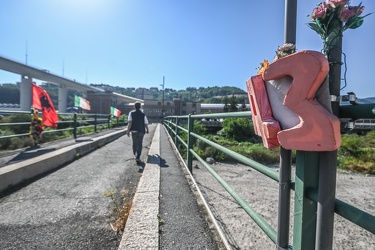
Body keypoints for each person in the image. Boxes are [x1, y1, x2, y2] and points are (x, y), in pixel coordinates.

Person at [127, 102, 149, 168]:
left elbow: (130, 122)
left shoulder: (131, 113)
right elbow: (145, 123)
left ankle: (135, 156)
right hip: (141, 130)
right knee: (139, 144)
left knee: (134, 143)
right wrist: (147, 129)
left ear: (134, 106)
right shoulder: (143, 114)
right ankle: (137, 156)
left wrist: (128, 130)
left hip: (133, 130)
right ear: (140, 107)